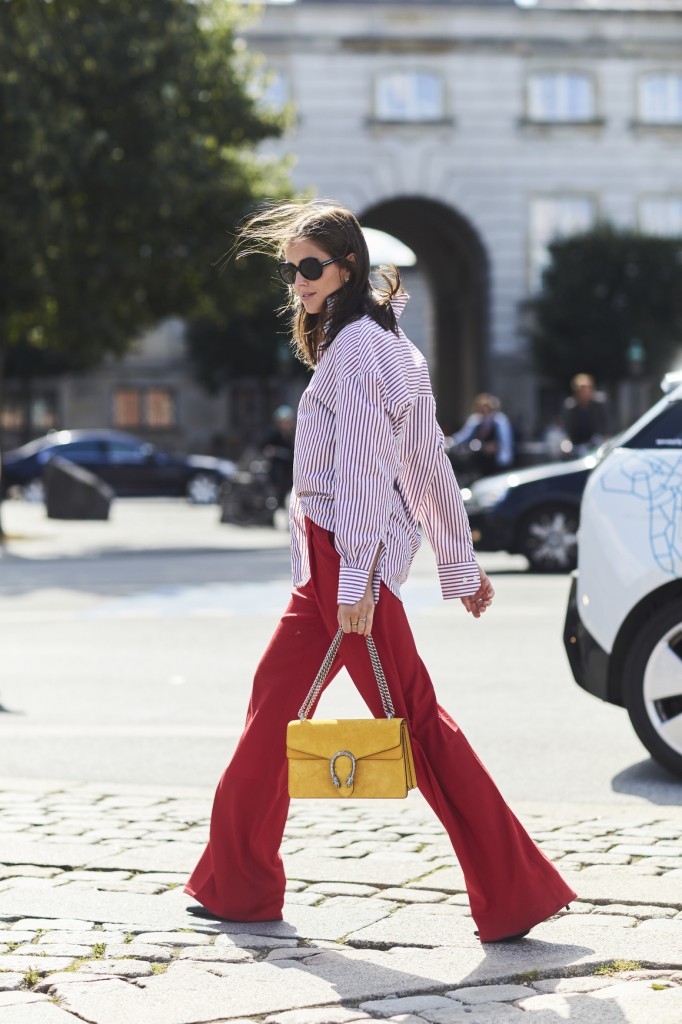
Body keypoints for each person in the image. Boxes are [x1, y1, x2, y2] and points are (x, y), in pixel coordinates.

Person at [184, 200, 576, 943]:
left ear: (347, 267)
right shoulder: (388, 344)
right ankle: (239, 883)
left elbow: (370, 472)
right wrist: (459, 563)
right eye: (290, 268)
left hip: (343, 566)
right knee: (279, 710)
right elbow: (429, 464)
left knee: (414, 725)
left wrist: (358, 578)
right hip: (337, 567)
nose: (297, 281)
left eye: (309, 268)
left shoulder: (360, 350)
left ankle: (515, 887)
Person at [448, 393, 514, 479]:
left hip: (495, 460)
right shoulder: (476, 420)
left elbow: (505, 442)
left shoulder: (499, 420)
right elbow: (464, 435)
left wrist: (503, 461)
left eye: (487, 406)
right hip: (481, 458)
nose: (484, 410)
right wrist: (451, 441)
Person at [562, 373, 610, 455]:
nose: (584, 392)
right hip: (577, 446)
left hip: (597, 443)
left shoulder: (600, 404)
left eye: (587, 389)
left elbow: (606, 427)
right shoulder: (570, 407)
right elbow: (568, 430)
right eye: (581, 389)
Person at [260, 404, 295, 510]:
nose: (286, 424)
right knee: (274, 495)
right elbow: (263, 446)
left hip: (290, 470)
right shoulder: (273, 434)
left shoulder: (293, 434)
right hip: (276, 469)